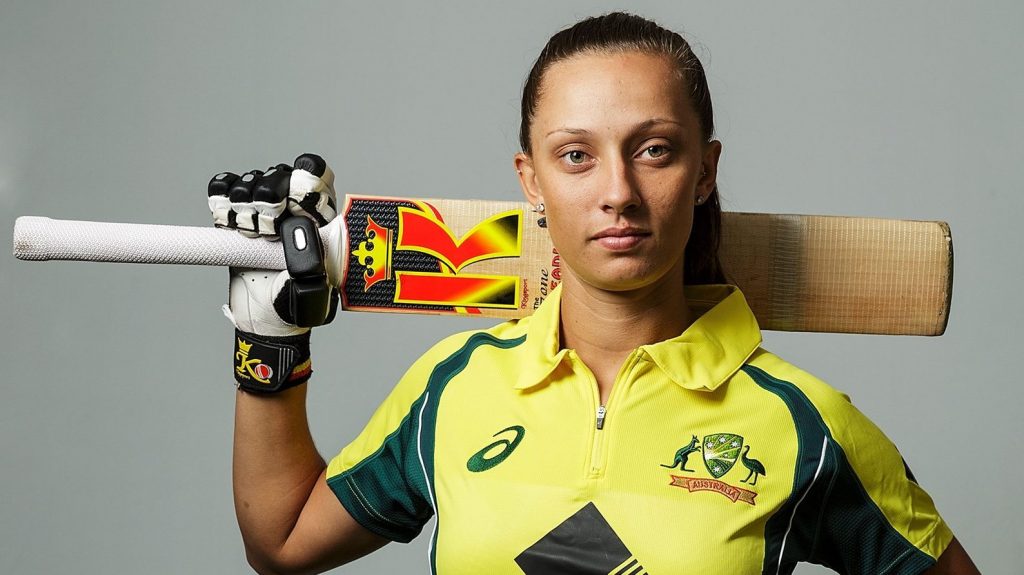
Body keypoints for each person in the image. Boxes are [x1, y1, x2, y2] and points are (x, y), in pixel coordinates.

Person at [209, 12, 980, 575]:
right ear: (531, 181)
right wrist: (269, 343)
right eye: (576, 155)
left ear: (705, 171)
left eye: (654, 150)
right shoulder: (454, 386)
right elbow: (282, 542)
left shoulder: (804, 423)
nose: (618, 191)